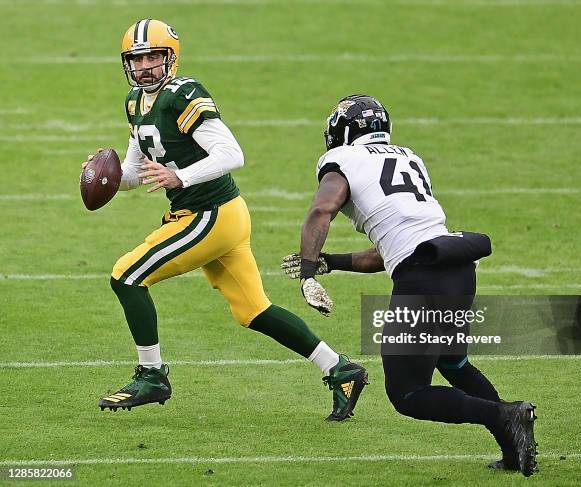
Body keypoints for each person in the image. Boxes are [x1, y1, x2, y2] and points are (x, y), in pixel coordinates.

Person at [85, 19, 368, 421]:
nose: (145, 66)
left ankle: (152, 375)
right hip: (219, 215)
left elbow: (232, 154)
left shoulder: (182, 95)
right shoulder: (135, 102)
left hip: (209, 214)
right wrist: (104, 175)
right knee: (254, 311)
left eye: (153, 57)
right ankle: (340, 369)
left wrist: (181, 176)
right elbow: (135, 174)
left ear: (171, 58)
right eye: (137, 58)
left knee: (127, 276)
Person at [281, 94, 538, 475]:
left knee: (408, 394)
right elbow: (390, 250)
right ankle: (514, 449)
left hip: (425, 276)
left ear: (345, 131)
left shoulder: (342, 160)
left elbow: (322, 209)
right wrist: (329, 262)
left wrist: (305, 273)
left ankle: (506, 415)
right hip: (456, 265)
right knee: (453, 361)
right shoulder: (409, 156)